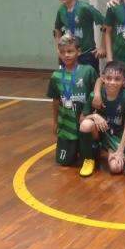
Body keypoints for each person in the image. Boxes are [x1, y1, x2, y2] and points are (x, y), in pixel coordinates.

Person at [46, 35, 98, 169]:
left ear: (78, 51)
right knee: (64, 162)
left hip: (83, 122)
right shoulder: (56, 76)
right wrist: (55, 122)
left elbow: (96, 91)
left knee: (91, 154)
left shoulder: (88, 71)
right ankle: (73, 148)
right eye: (62, 52)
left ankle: (93, 146)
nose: (66, 55)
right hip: (66, 126)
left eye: (70, 51)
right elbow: (56, 100)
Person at [79, 61, 125, 177]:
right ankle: (89, 158)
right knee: (86, 125)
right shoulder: (95, 96)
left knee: (116, 168)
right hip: (101, 134)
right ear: (103, 78)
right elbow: (81, 119)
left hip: (117, 136)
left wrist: (120, 151)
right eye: (109, 78)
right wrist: (95, 116)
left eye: (117, 79)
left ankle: (105, 153)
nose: (112, 82)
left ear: (124, 80)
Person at [53, 0, 105, 72]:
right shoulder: (61, 10)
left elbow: (105, 25)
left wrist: (102, 47)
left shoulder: (85, 8)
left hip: (87, 55)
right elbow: (57, 30)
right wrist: (59, 48)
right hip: (68, 55)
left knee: (90, 83)